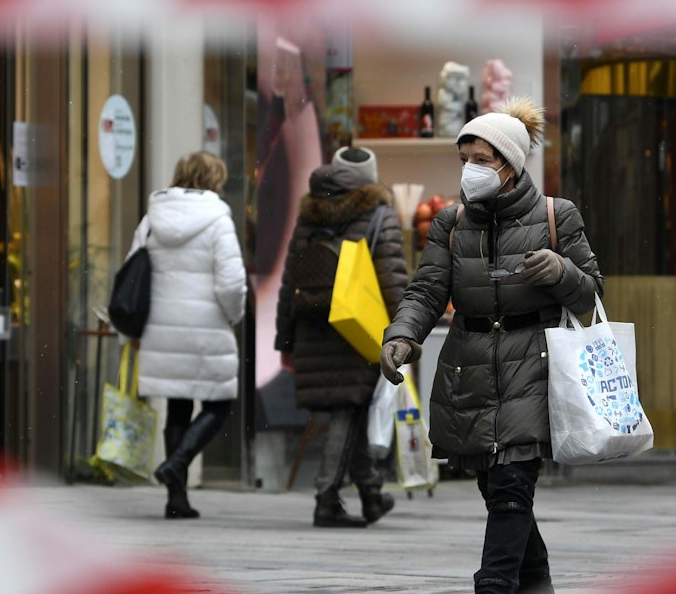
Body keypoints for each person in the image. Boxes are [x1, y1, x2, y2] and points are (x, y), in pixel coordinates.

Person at [379, 98, 603, 594]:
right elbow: (427, 290)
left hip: (534, 362)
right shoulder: (451, 223)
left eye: (482, 160)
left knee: (511, 485)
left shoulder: (556, 216)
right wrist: (402, 334)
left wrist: (560, 272)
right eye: (465, 159)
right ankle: (536, 581)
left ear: (510, 163)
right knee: (495, 488)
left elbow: (591, 293)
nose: (470, 170)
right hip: (471, 365)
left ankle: (494, 584)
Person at [275, 146, 408, 528]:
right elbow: (392, 278)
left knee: (351, 406)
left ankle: (369, 495)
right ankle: (326, 498)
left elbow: (289, 281)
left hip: (311, 325)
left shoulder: (309, 213)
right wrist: (404, 332)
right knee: (347, 409)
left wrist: (285, 341)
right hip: (355, 325)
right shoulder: (378, 214)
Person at [124, 151, 247, 520]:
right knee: (218, 404)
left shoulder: (151, 220)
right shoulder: (218, 220)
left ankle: (176, 498)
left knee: (178, 405)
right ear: (214, 179)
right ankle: (177, 463)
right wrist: (233, 315)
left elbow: (133, 272)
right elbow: (231, 283)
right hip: (206, 327)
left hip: (161, 327)